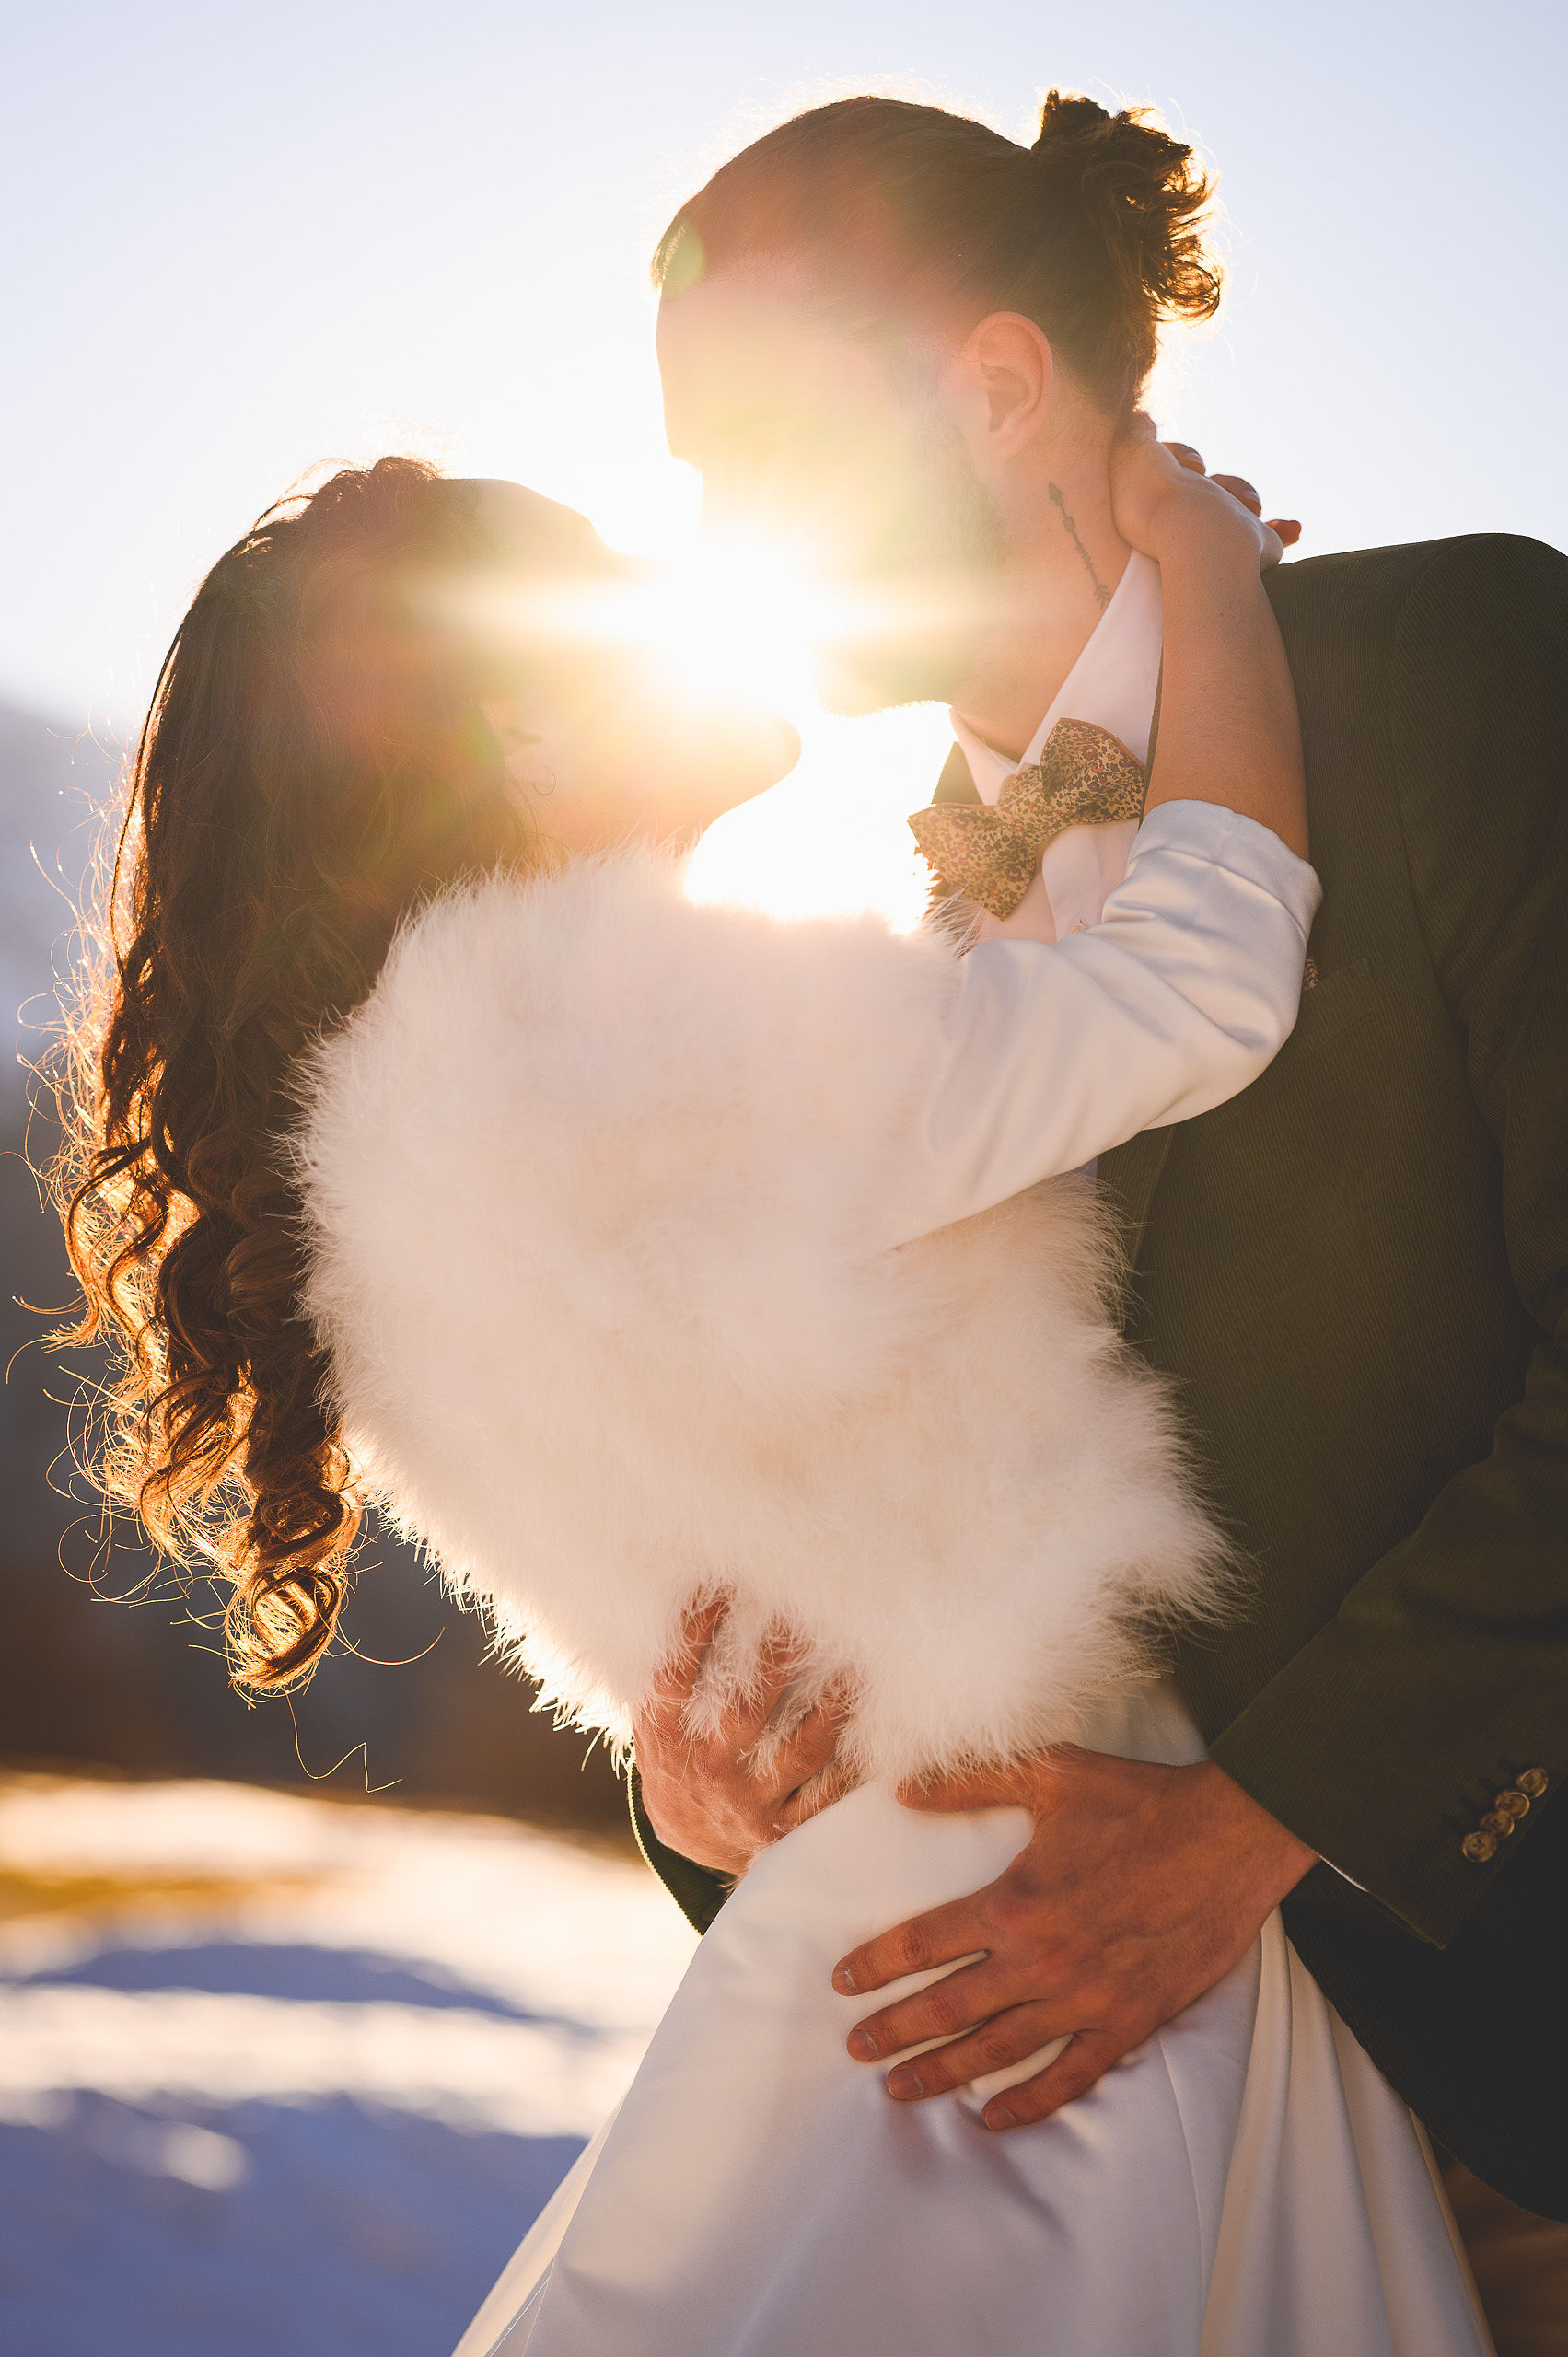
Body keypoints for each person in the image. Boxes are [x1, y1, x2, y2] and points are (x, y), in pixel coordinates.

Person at [631, 82, 1568, 2348]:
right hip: (1103, 2174)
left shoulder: (1464, 667)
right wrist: (703, 1786)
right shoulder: (892, 973)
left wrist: (1259, 1821)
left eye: (755, 435)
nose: (714, 522)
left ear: (994, 385)